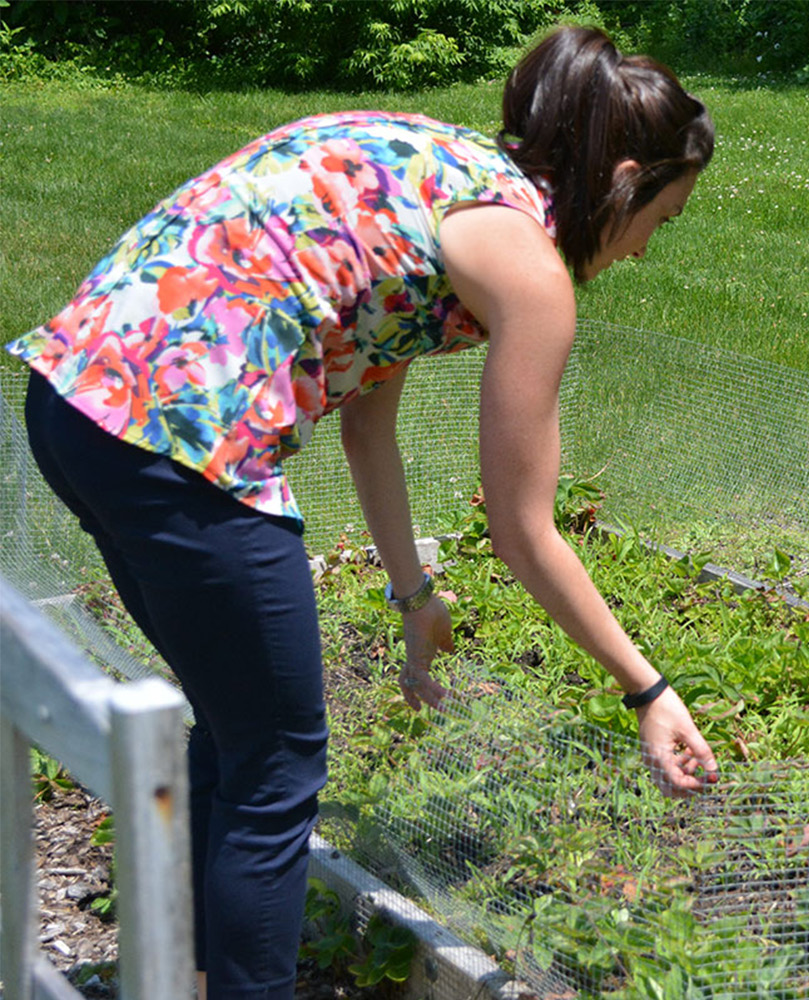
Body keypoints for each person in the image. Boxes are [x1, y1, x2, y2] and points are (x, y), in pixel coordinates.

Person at [7, 25, 719, 999]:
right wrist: (648, 690)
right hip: (178, 435)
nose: (642, 252)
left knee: (234, 729)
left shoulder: (443, 172)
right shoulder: (531, 272)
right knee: (280, 768)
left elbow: (365, 425)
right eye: (661, 221)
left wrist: (414, 595)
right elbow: (523, 529)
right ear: (626, 180)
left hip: (75, 398)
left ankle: (190, 976)